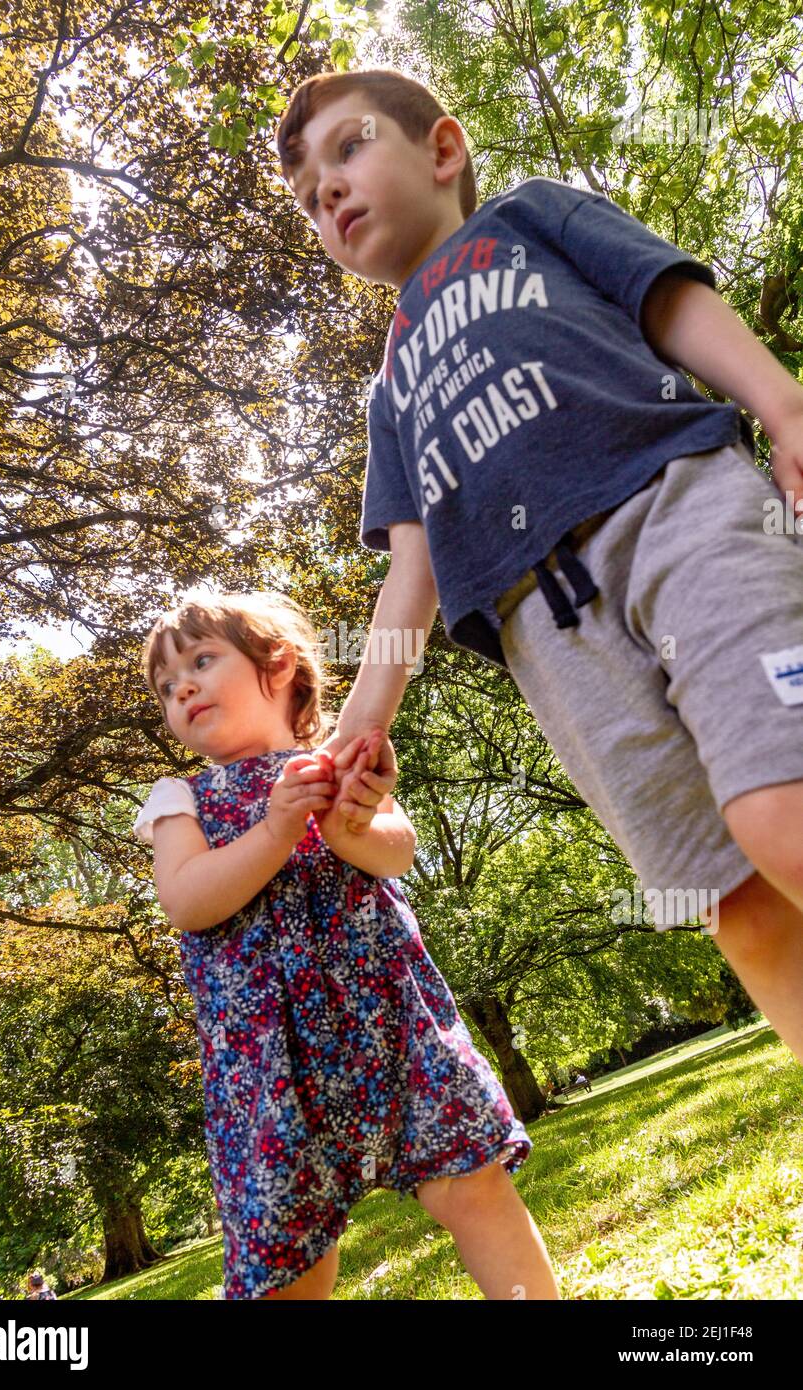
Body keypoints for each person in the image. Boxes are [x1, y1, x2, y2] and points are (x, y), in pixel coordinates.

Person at [275, 67, 803, 1070]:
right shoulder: (389, 391)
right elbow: (410, 567)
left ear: (441, 149)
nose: (329, 192)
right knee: (731, 903)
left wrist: (780, 407)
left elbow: (669, 301)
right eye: (309, 198)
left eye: (349, 147)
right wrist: (360, 724)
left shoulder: (529, 218)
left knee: (780, 810)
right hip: (548, 636)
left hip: (670, 513)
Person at [133, 592, 558, 1301]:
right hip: (267, 1058)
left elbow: (396, 855)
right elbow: (186, 900)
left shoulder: (339, 762)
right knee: (288, 1263)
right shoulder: (180, 798)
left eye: (202, 661)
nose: (182, 688)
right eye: (167, 686)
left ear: (279, 665)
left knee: (471, 1182)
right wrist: (273, 832)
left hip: (388, 1023)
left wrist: (344, 818)